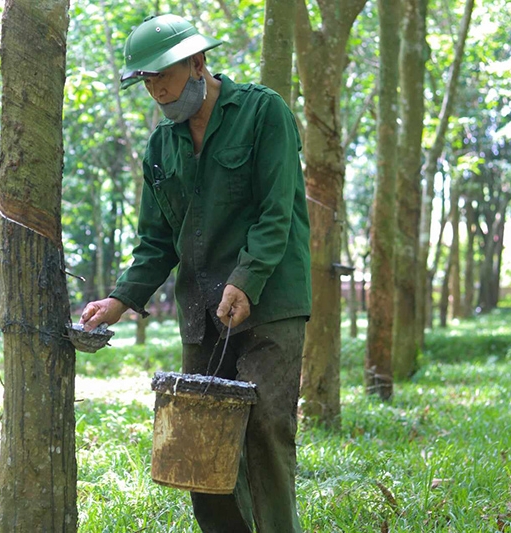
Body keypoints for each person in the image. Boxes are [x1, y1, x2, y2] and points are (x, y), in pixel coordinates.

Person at [79, 13, 312, 533]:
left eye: (164, 72)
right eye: (146, 79)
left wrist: (246, 280)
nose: (157, 87)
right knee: (198, 443)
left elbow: (279, 212)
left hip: (271, 303)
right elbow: (157, 241)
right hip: (202, 313)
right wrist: (119, 300)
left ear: (198, 62)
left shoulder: (263, 112)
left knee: (266, 434)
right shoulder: (161, 148)